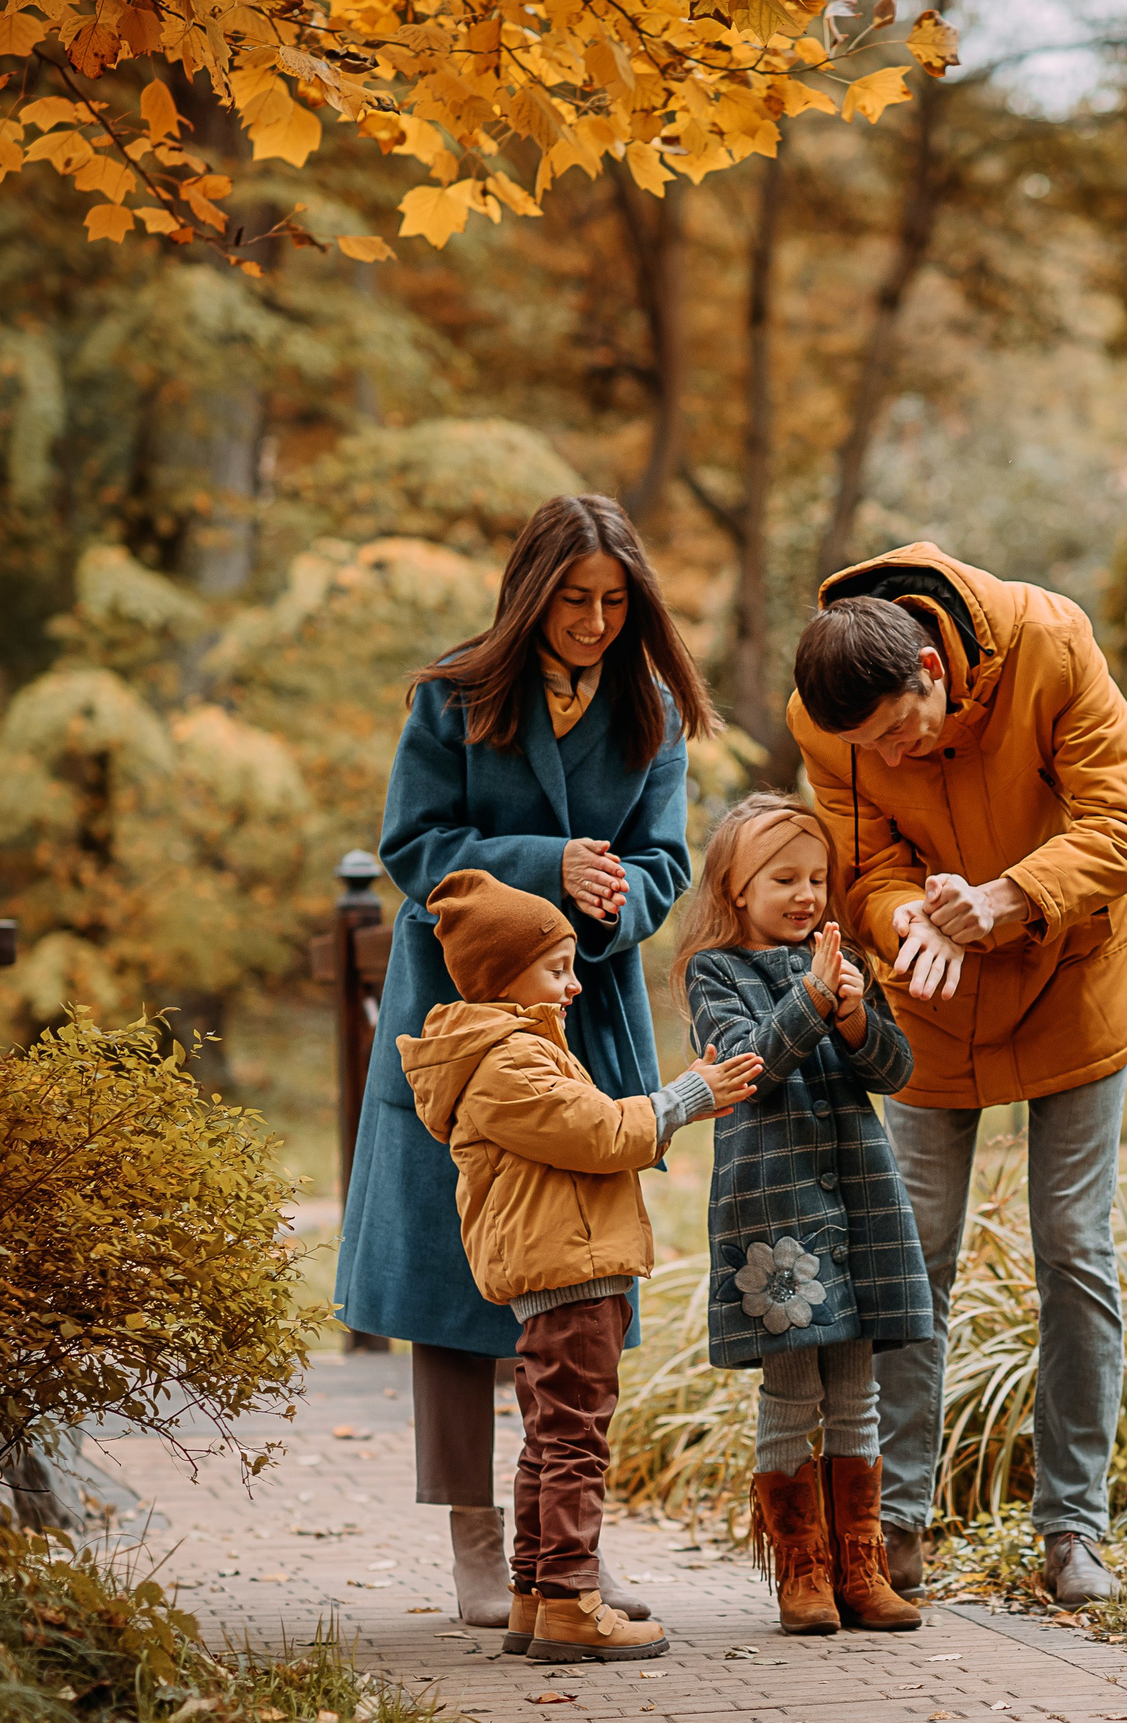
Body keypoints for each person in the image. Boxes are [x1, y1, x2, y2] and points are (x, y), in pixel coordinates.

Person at [333, 495, 716, 1626]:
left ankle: (566, 1550)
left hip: (581, 1008)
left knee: (579, 1277)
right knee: (456, 1280)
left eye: (613, 602)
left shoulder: (651, 709)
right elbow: (416, 847)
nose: (594, 622)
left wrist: (611, 898)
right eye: (573, 601)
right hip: (457, 1015)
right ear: (530, 593)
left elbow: (664, 860)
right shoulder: (452, 696)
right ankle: (474, 1541)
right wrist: (549, 863)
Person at [784, 545, 1127, 1607]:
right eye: (874, 747)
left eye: (903, 727)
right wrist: (900, 914)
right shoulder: (827, 719)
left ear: (930, 663)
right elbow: (860, 862)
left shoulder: (1051, 642)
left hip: (1071, 971)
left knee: (1073, 1247)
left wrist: (1006, 898)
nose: (897, 753)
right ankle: (892, 1525)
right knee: (911, 1257)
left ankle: (1073, 1530)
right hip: (934, 990)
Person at [399, 869, 763, 1662]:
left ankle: (535, 1592)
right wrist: (688, 1095)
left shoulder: (518, 1050)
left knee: (550, 1435)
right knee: (574, 1442)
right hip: (569, 1275)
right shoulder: (506, 1062)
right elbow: (600, 1132)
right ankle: (570, 1598)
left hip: (569, 1270)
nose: (573, 983)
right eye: (556, 968)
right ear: (502, 977)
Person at [671, 794, 931, 1637]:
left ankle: (861, 1565)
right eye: (783, 877)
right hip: (775, 1209)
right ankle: (800, 1568)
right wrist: (814, 1000)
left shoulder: (841, 958)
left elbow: (894, 1068)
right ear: (735, 888)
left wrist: (854, 1011)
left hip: (857, 1199)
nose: (806, 892)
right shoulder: (715, 970)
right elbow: (753, 1065)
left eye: (817, 877)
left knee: (856, 1390)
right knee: (792, 1388)